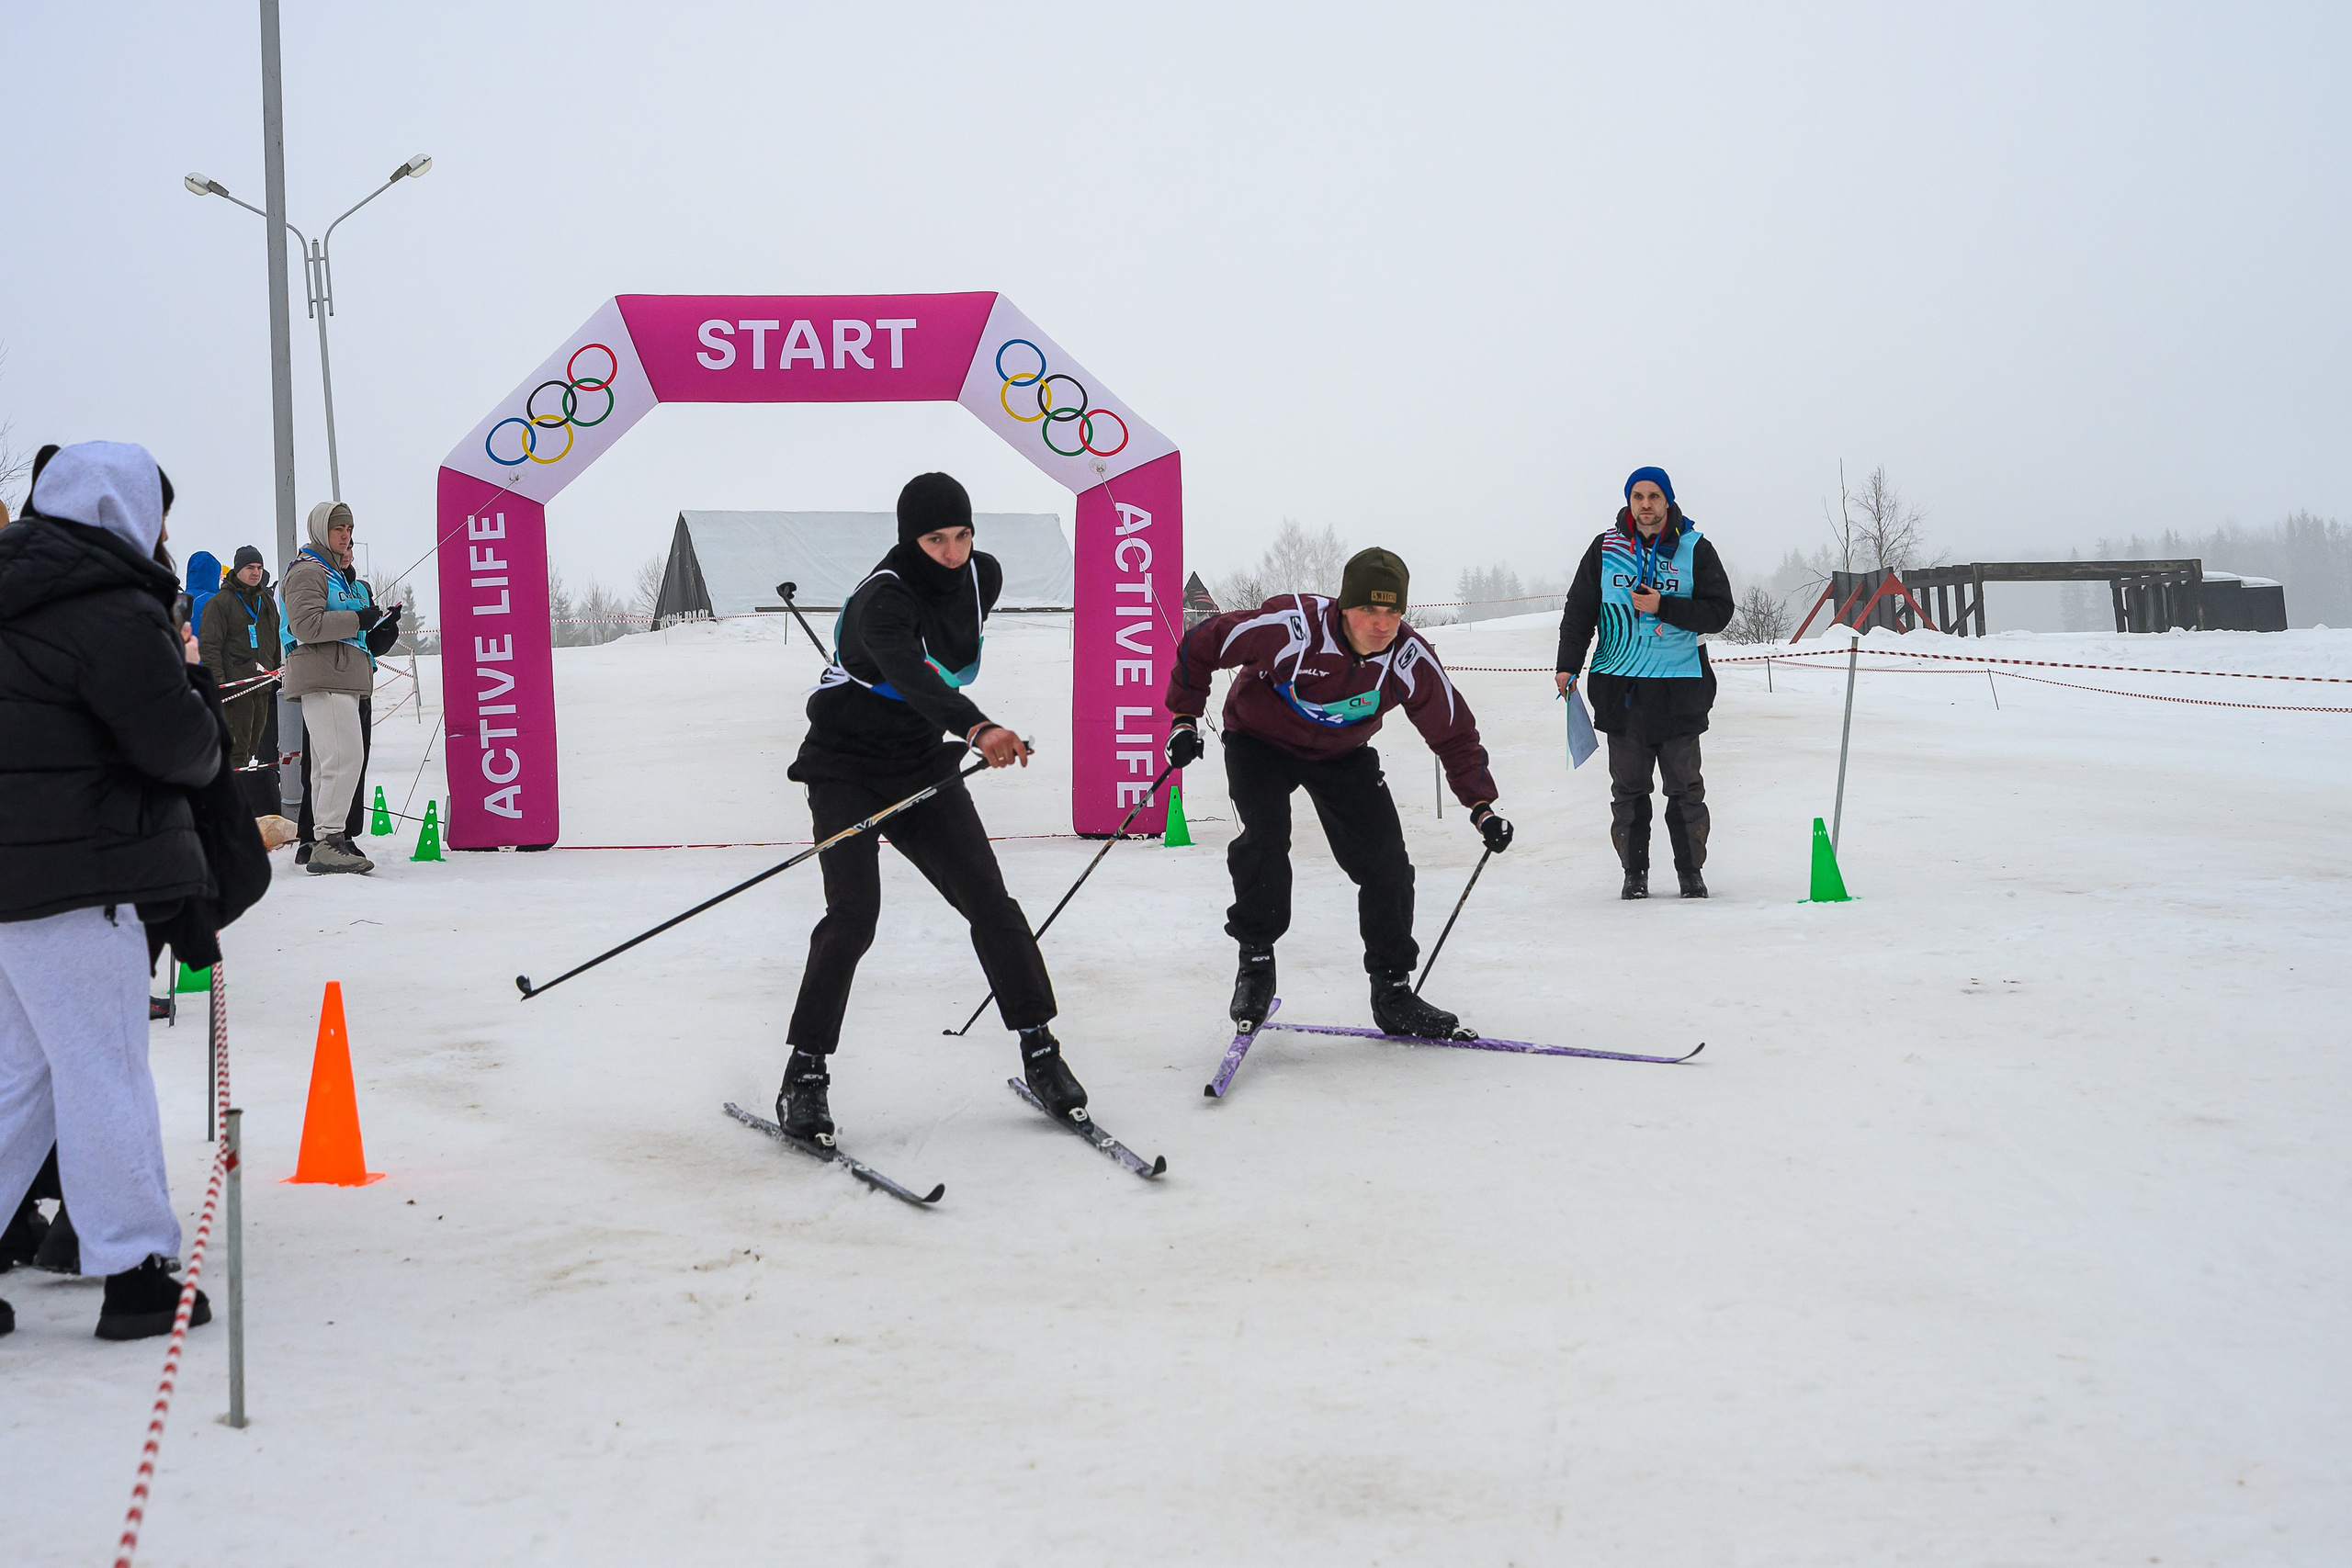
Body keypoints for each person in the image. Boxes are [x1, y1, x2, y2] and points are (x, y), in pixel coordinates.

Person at [0, 440, 231, 1340]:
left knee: (19, 1080)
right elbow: (178, 746)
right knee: (105, 1073)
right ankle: (135, 1272)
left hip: (15, 881)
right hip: (81, 878)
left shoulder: (13, 589)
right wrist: (200, 702)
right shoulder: (110, 606)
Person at [776, 472, 1081, 1145]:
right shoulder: (881, 601)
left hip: (918, 763)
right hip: (846, 768)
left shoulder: (982, 576)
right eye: (935, 539)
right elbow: (912, 676)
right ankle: (805, 1072)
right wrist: (977, 727)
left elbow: (944, 654)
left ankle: (1040, 1051)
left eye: (962, 535)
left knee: (991, 903)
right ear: (908, 539)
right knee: (853, 916)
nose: (951, 552)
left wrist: (960, 729)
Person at [1164, 547, 1513, 1040]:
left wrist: (1481, 806)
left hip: (1341, 752)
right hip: (1259, 741)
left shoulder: (1407, 657)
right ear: (1345, 606)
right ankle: (1256, 963)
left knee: (1387, 864)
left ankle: (1392, 991)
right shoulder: (1292, 627)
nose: (1382, 624)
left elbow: (1452, 730)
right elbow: (1203, 642)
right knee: (1265, 840)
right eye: (1370, 609)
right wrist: (1184, 718)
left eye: (1393, 611)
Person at [1555, 467, 1735, 899]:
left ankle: (1690, 874)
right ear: (1629, 501)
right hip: (1622, 691)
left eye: (1654, 496)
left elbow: (1719, 612)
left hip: (1680, 691)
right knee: (1628, 791)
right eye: (1638, 496)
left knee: (1686, 789)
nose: (1646, 504)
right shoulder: (1605, 548)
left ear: (1667, 501)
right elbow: (1579, 610)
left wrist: (1664, 606)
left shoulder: (1695, 548)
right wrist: (1567, 665)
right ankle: (1634, 874)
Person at [280, 502, 399, 874]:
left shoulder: (338, 575)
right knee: (343, 758)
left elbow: (353, 630)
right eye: (338, 529)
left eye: (349, 529)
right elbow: (305, 625)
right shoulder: (308, 571)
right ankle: (329, 840)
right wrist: (357, 619)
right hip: (324, 676)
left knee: (329, 763)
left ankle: (325, 838)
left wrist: (378, 624)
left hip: (343, 678)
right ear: (321, 530)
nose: (346, 536)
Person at [198, 545, 281, 795]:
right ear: (237, 570)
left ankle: (246, 802)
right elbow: (210, 647)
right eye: (249, 568)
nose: (256, 573)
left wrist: (275, 673)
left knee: (253, 751)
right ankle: (231, 804)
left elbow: (275, 640)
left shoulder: (267, 602)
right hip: (235, 692)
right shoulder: (220, 603)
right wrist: (219, 684)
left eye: (259, 568)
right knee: (235, 754)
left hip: (261, 688)